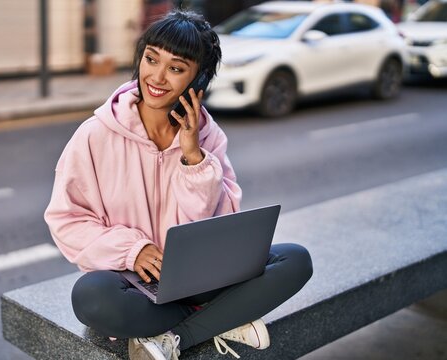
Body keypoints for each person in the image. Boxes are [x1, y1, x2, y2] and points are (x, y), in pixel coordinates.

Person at [44, 10, 313, 360]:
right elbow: (67, 220)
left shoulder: (207, 136)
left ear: (197, 78)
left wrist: (194, 160)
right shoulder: (95, 135)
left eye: (175, 68)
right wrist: (133, 249)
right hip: (134, 283)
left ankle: (173, 339)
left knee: (295, 259)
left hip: (202, 279)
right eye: (150, 59)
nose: (156, 76)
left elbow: (222, 221)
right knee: (91, 295)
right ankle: (224, 319)